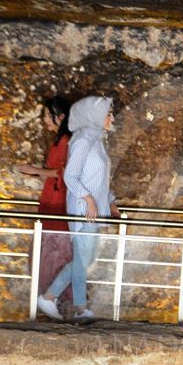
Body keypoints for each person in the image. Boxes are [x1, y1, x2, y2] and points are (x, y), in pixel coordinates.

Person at [36, 95, 120, 322]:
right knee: (83, 259)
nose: (112, 118)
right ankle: (81, 309)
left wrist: (110, 200)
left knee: (85, 259)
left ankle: (50, 296)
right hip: (84, 210)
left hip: (94, 210)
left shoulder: (96, 140)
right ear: (95, 115)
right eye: (108, 114)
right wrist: (89, 199)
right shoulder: (82, 140)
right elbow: (70, 176)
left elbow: (99, 179)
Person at [17, 96, 74, 311]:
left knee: (56, 252)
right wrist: (36, 173)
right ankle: (52, 300)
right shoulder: (58, 141)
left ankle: (57, 300)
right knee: (47, 252)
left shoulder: (67, 141)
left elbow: (65, 172)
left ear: (61, 117)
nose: (44, 120)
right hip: (51, 198)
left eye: (47, 116)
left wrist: (35, 170)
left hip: (58, 201)